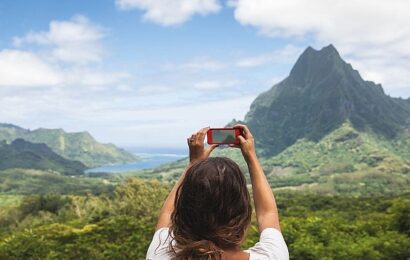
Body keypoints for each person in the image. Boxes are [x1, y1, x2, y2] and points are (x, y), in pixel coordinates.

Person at [146, 125, 289, 259]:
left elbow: (166, 214)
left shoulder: (160, 254)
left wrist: (193, 164)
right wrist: (251, 157)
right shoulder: (271, 256)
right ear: (243, 213)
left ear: (183, 212)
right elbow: (267, 213)